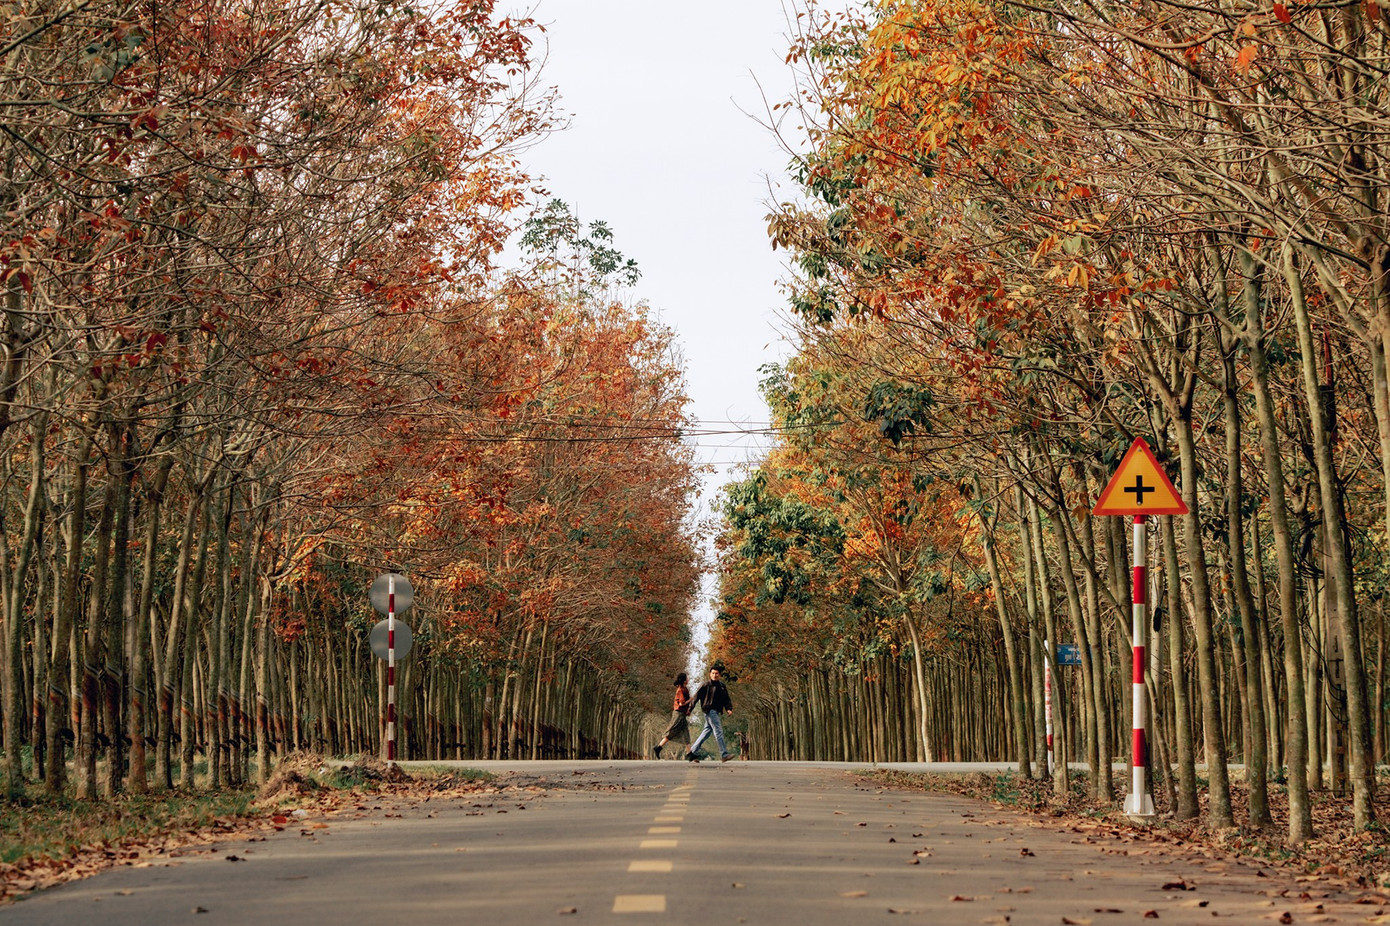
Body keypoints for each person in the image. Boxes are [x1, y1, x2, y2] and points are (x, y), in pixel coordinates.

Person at [686, 667, 733, 762]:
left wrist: (728, 709)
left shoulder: (722, 686)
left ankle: (692, 753)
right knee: (718, 731)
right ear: (710, 674)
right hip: (709, 710)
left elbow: (726, 699)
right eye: (713, 673)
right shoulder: (705, 685)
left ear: (719, 675)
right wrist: (690, 709)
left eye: (717, 673)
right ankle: (724, 754)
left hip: (716, 711)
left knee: (706, 732)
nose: (715, 675)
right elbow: (696, 697)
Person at [653, 672, 691, 759]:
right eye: (687, 678)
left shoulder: (685, 689)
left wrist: (687, 711)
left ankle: (690, 753)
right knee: (671, 732)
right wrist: (691, 700)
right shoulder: (680, 690)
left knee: (686, 733)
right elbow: (682, 703)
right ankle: (658, 747)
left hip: (682, 714)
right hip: (678, 715)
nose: (688, 679)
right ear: (684, 680)